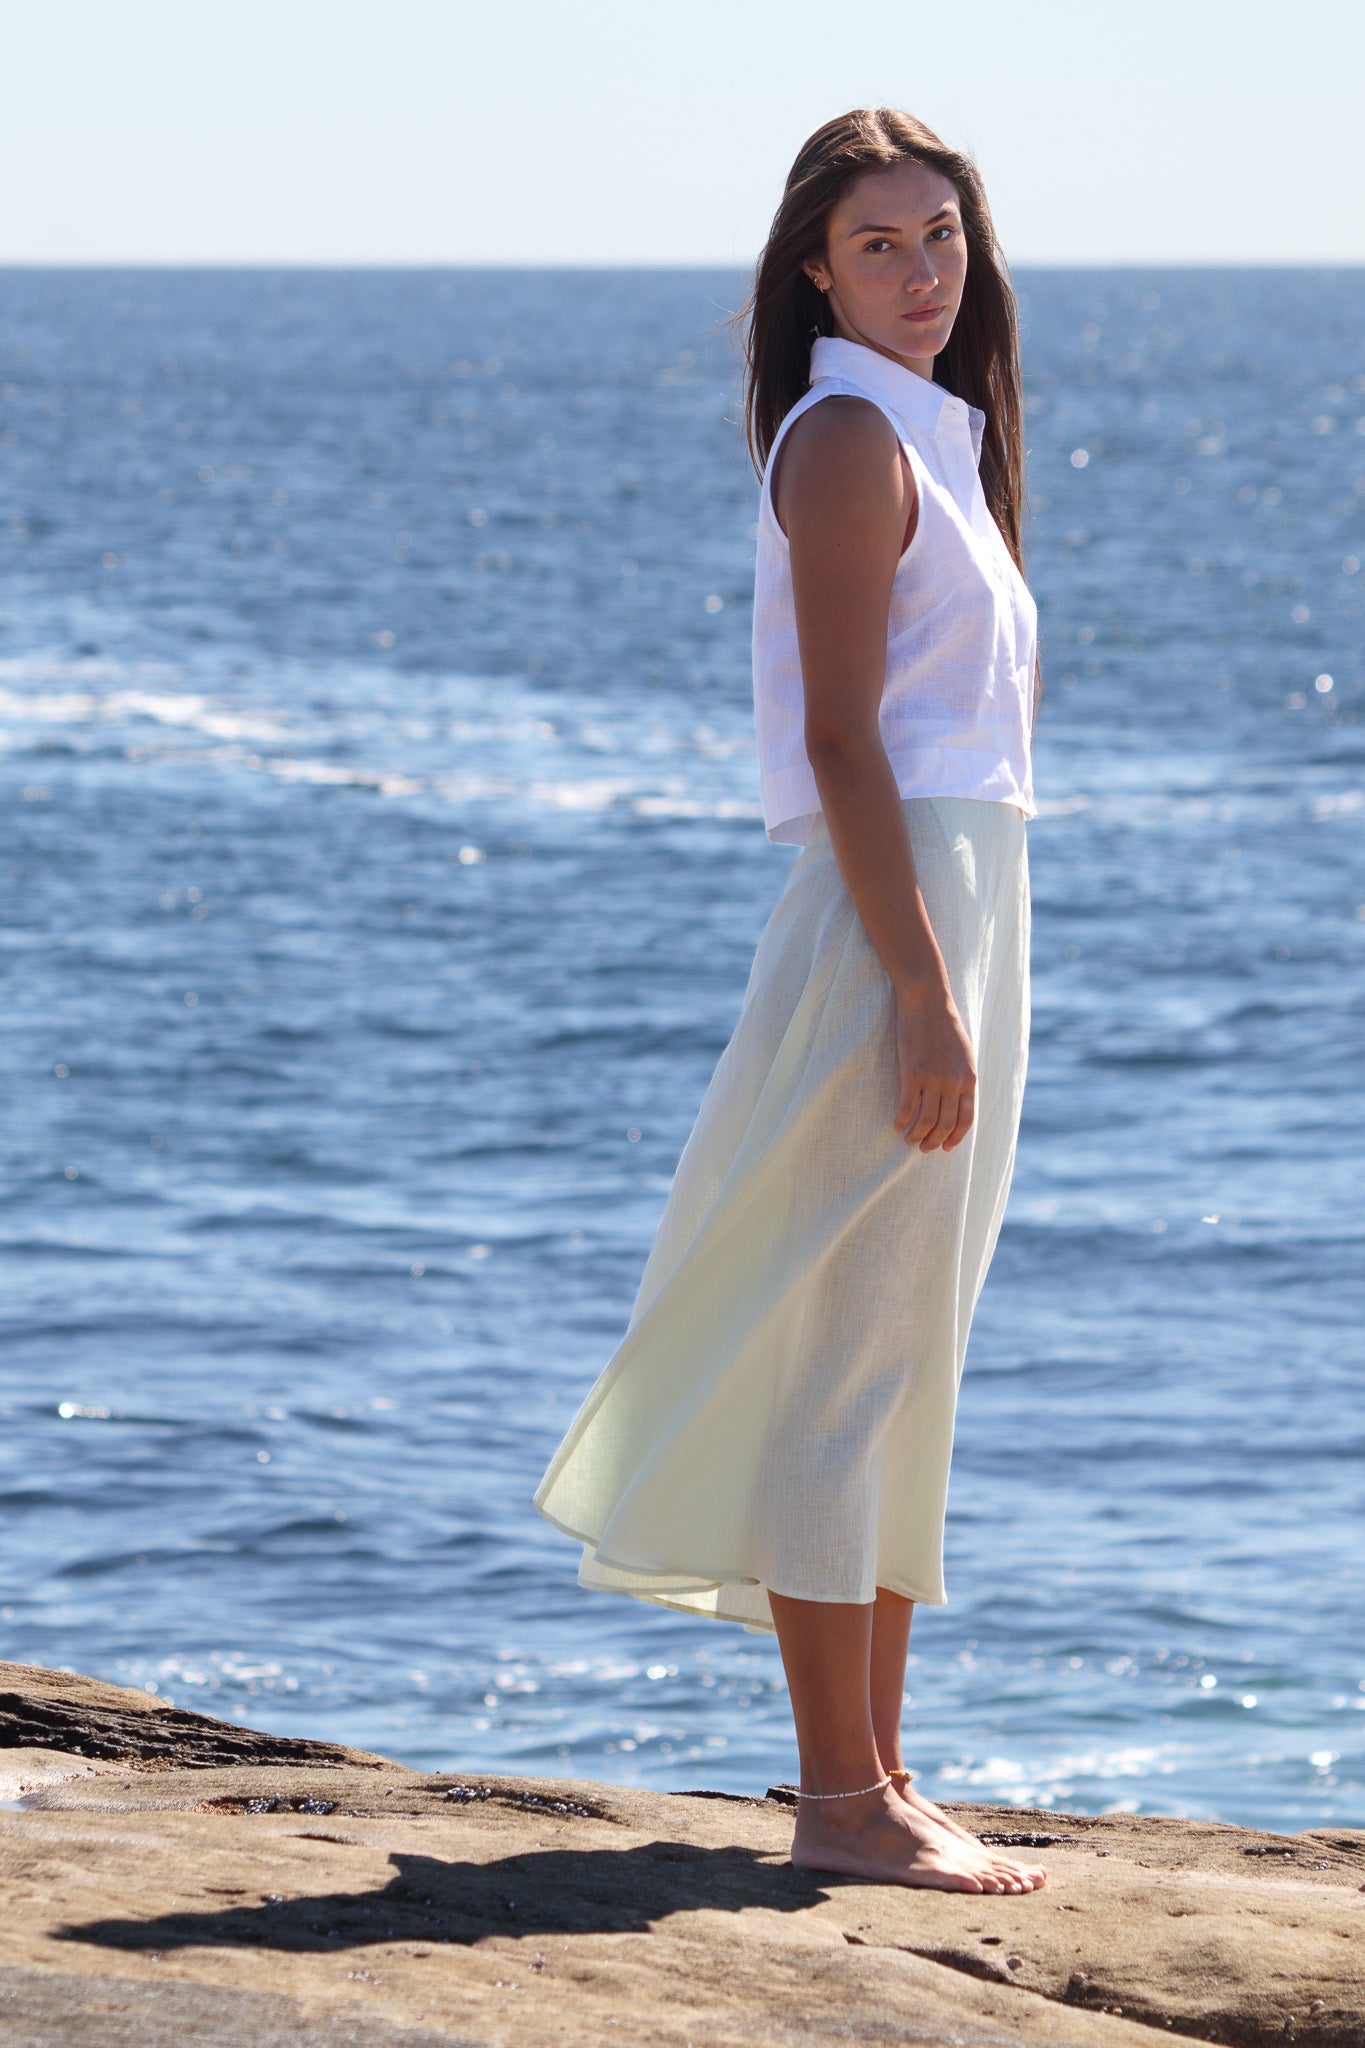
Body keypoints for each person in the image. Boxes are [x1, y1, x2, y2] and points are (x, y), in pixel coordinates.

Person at [535, 107, 1045, 1894]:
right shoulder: (844, 439)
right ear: (815, 270)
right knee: (846, 1354)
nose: (920, 273)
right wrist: (919, 987)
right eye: (880, 245)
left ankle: (881, 1775)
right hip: (890, 917)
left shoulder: (940, 437)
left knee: (905, 1353)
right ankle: (837, 1803)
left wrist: (961, 964)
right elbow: (839, 743)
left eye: (940, 239)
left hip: (965, 904)